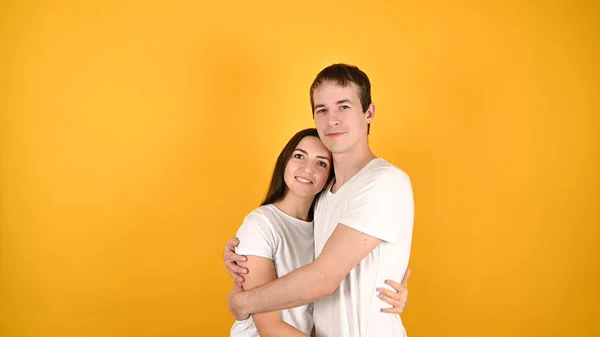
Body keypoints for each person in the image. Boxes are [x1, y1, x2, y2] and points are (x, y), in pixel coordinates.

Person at [225, 63, 414, 337]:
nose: (332, 119)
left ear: (369, 112)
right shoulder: (323, 196)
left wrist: (243, 301)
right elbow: (288, 244)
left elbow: (322, 279)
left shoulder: (384, 181)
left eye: (344, 106)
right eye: (322, 110)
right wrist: (241, 254)